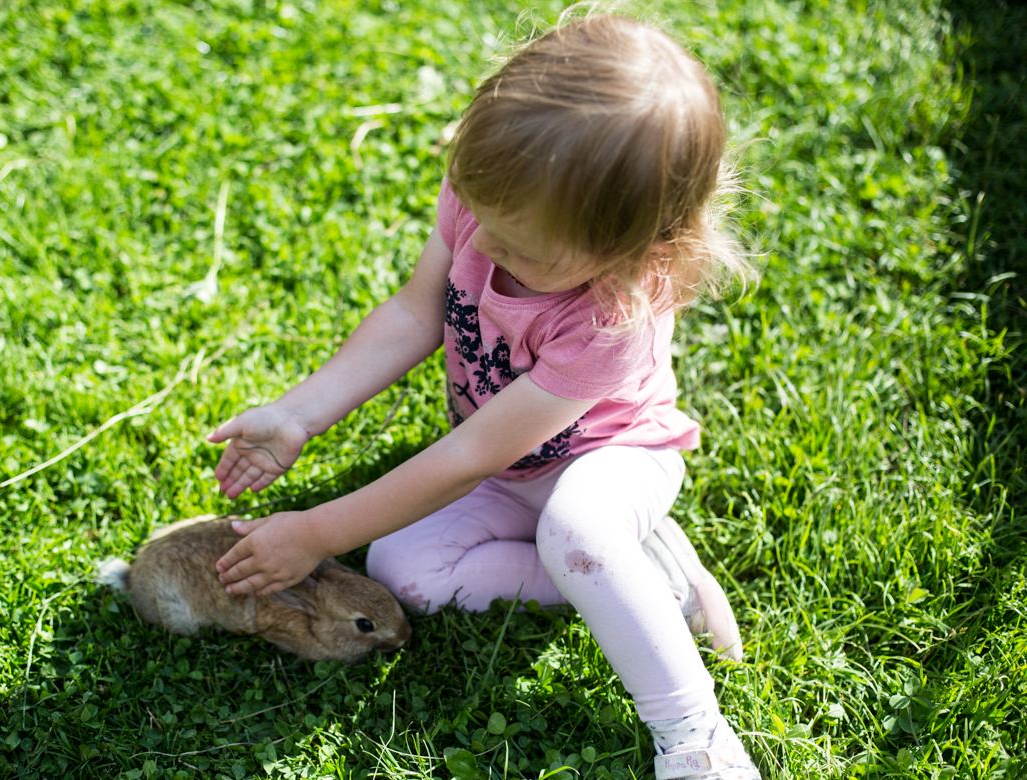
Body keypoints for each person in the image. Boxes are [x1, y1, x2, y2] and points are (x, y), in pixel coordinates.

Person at [207, 15, 759, 780]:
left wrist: (315, 533)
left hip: (612, 460)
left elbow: (466, 457)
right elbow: (413, 313)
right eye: (481, 217)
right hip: (509, 471)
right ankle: (654, 581)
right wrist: (299, 413)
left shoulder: (610, 316)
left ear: (630, 247)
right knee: (404, 573)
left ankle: (694, 731)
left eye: (522, 249)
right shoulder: (495, 203)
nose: (488, 246)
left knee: (579, 532)